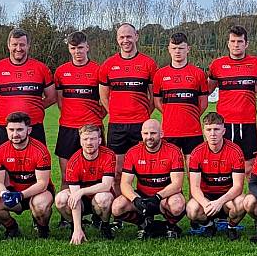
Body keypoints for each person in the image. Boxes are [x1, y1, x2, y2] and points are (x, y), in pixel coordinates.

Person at [99, 23, 158, 187]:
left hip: (140, 125)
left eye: (129, 36)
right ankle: (121, 212)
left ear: (136, 36)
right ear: (117, 39)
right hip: (117, 126)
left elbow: (153, 96)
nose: (126, 40)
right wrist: (115, 113)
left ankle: (143, 210)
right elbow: (103, 95)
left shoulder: (148, 63)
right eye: (122, 37)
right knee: (117, 173)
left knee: (144, 172)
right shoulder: (108, 65)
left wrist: (144, 115)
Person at [0, 112, 57, 239]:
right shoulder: (0, 151)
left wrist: (21, 195)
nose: (15, 134)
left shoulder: (41, 151)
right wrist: (4, 194)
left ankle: (43, 228)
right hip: (13, 192)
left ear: (29, 130)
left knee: (40, 205)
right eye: (11, 130)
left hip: (36, 192)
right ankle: (11, 227)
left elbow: (42, 184)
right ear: (6, 130)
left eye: (20, 129)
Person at [111, 119, 186, 239]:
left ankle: (170, 226)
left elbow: (177, 184)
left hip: (164, 196)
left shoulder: (173, 151)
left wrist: (157, 197)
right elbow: (125, 184)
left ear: (161, 134)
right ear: (141, 134)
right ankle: (143, 224)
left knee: (177, 205)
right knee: (117, 207)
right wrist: (135, 200)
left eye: (153, 133)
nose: (149, 137)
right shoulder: (133, 152)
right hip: (143, 196)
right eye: (146, 133)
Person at [0, 28, 56, 150]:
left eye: (22, 44)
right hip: (5, 127)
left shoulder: (41, 68)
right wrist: (3, 107)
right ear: (8, 45)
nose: (18, 48)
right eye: (14, 45)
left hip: (34, 127)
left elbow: (51, 97)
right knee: (3, 167)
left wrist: (34, 107)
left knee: (38, 166)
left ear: (28, 46)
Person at [207, 25, 257, 172]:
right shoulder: (217, 65)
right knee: (224, 163)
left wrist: (245, 89)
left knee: (250, 165)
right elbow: (208, 89)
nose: (236, 45)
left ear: (246, 43)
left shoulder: (256, 63)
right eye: (233, 41)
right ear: (228, 43)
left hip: (248, 122)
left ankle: (250, 195)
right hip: (225, 122)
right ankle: (227, 195)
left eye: (239, 41)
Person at [53, 31, 106, 186]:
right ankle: (67, 209)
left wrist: (97, 117)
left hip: (92, 128)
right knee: (66, 176)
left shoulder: (99, 70)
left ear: (87, 47)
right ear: (69, 49)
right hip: (68, 128)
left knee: (98, 176)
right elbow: (60, 101)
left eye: (81, 48)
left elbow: (106, 99)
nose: (77, 52)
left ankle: (99, 208)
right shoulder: (61, 72)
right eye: (73, 48)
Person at [185, 112, 248, 240]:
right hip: (206, 196)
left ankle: (231, 227)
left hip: (227, 196)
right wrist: (205, 203)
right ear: (204, 131)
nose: (213, 134)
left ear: (224, 130)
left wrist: (219, 202)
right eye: (209, 130)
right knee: (192, 209)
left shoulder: (235, 151)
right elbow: (195, 187)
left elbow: (238, 187)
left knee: (242, 202)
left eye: (216, 129)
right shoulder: (197, 153)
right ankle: (209, 225)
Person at [55, 124, 116, 245]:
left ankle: (104, 225)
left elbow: (106, 185)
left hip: (97, 198)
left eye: (93, 139)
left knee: (104, 198)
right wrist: (78, 229)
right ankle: (75, 227)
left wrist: (82, 191)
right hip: (81, 201)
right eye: (85, 139)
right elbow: (74, 196)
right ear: (80, 141)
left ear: (99, 140)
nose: (89, 142)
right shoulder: (73, 161)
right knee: (61, 199)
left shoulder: (109, 155)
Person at [152, 32, 209, 159]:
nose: (177, 51)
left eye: (181, 48)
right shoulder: (160, 74)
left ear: (188, 49)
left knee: (194, 173)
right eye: (174, 48)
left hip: (193, 132)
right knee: (170, 172)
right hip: (169, 131)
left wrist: (190, 115)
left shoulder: (198, 73)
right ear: (169, 49)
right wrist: (170, 113)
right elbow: (157, 102)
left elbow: (204, 103)